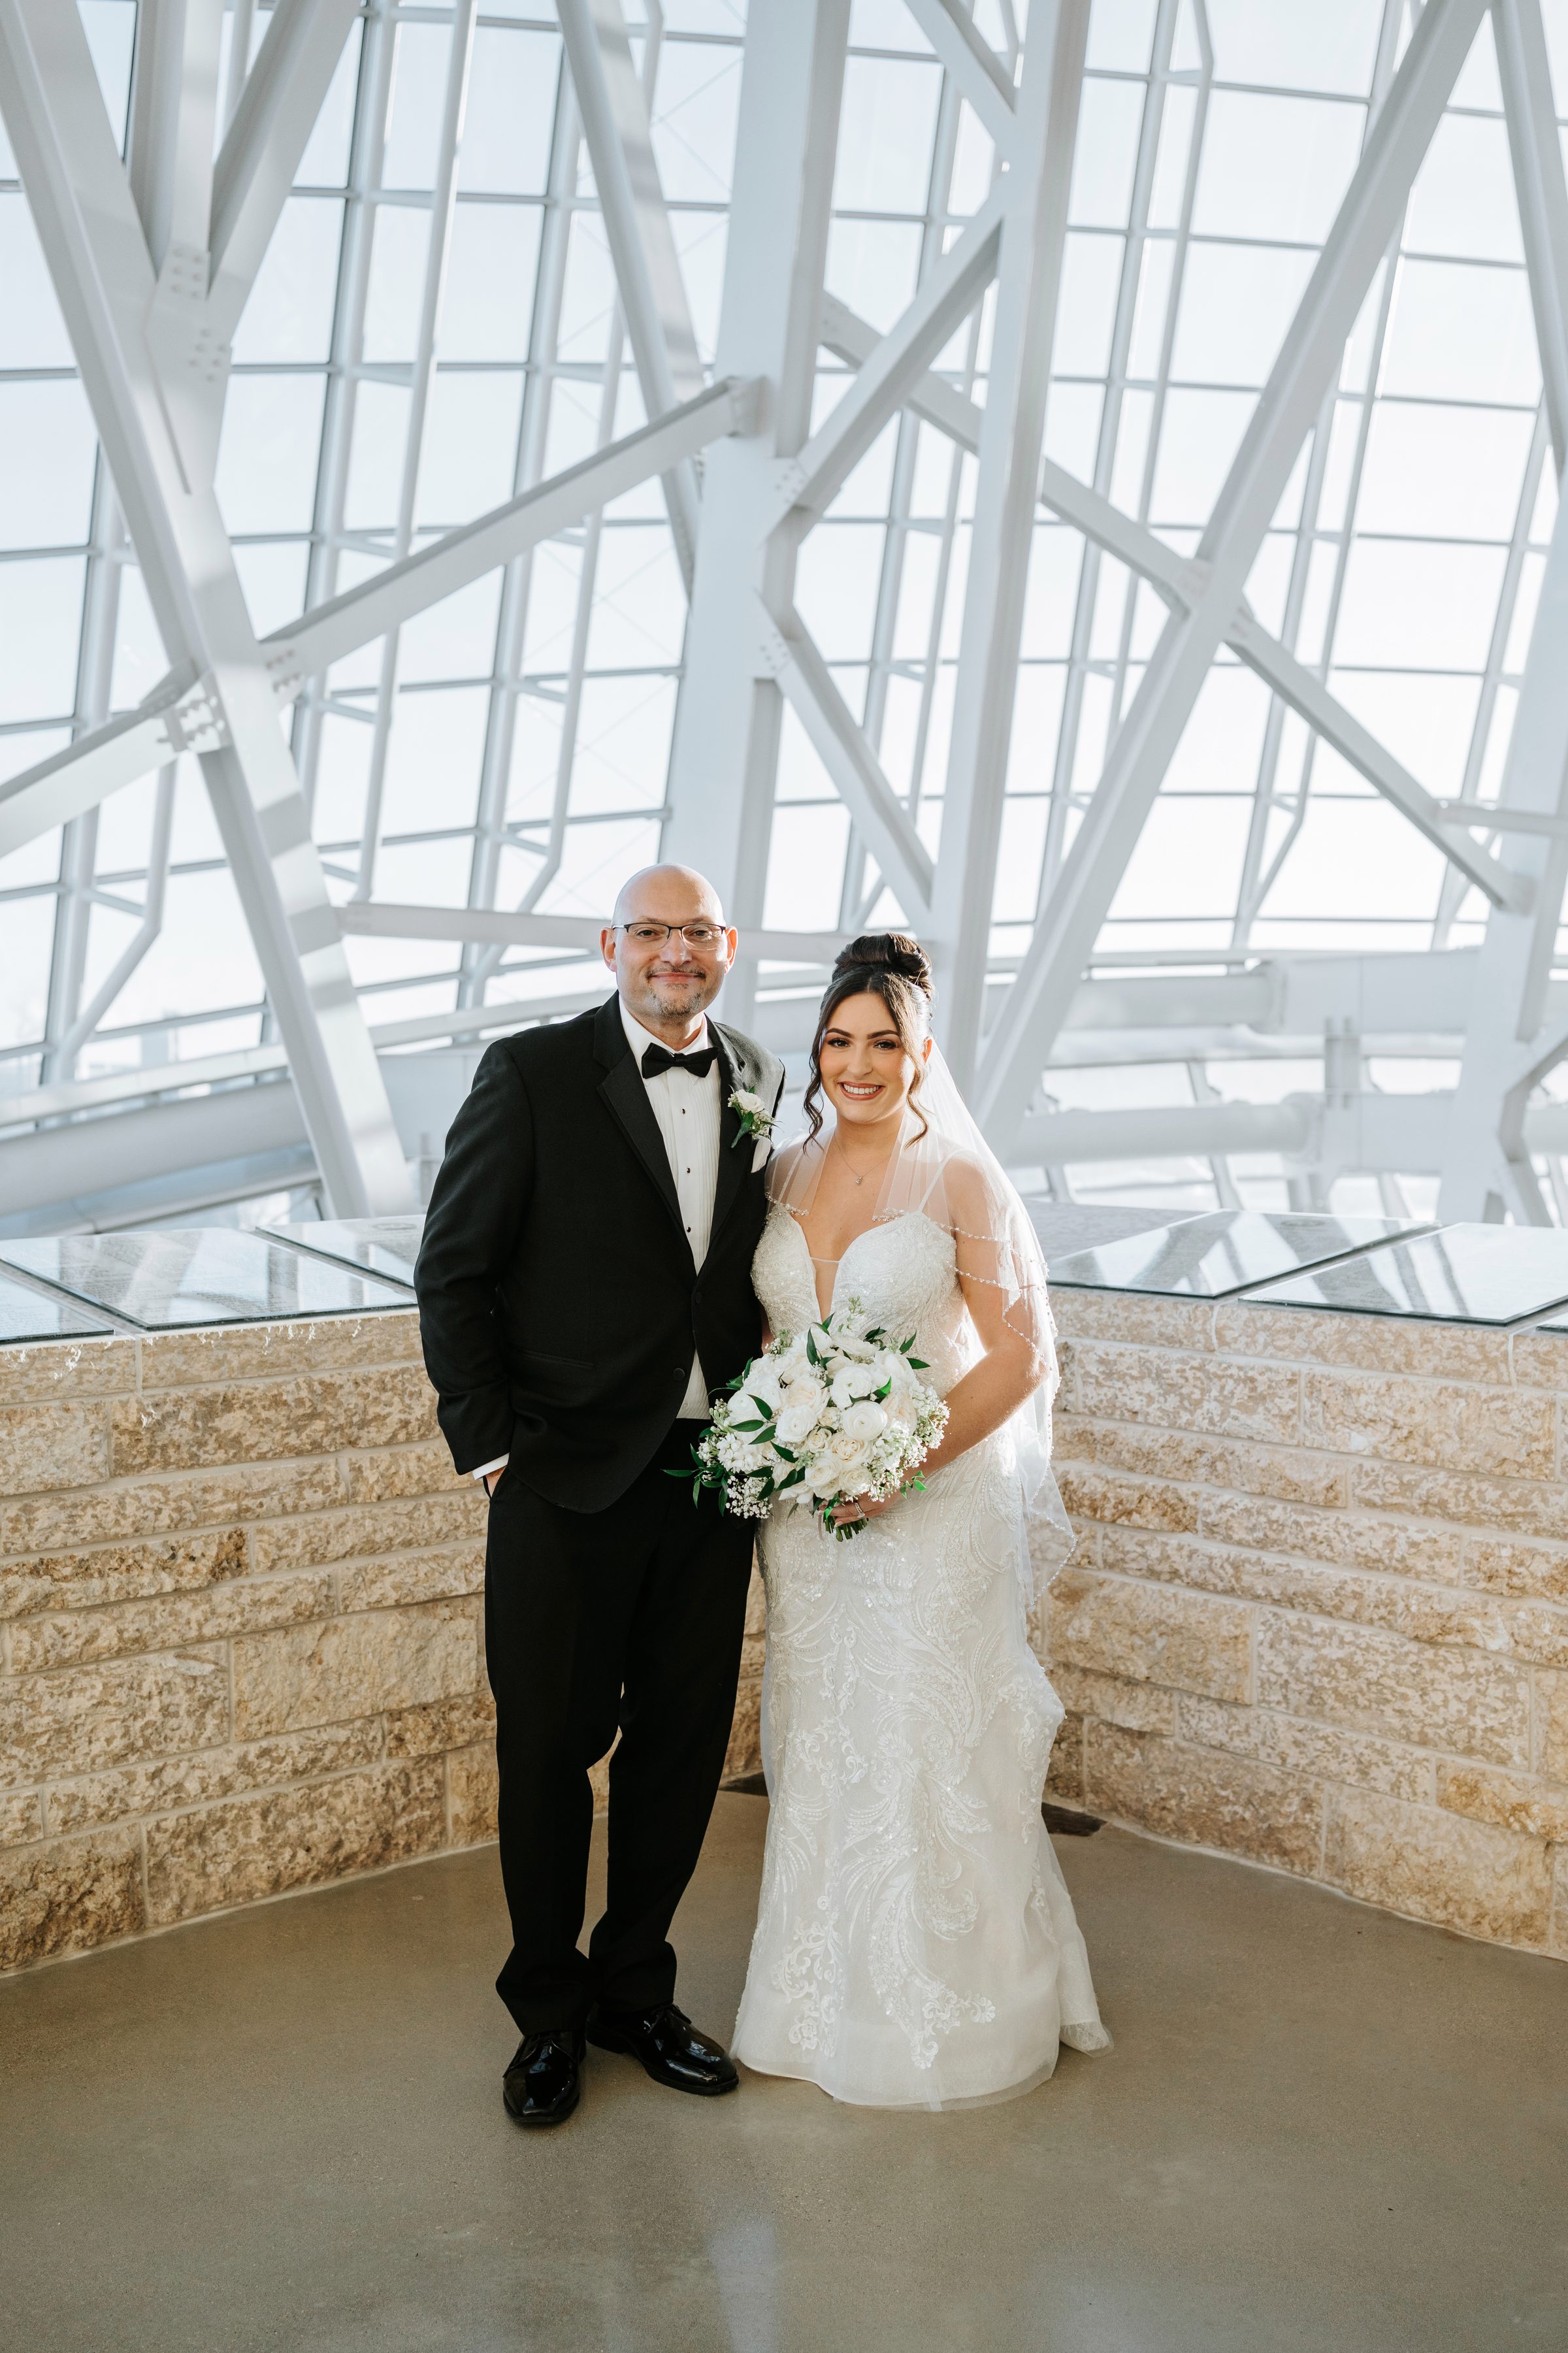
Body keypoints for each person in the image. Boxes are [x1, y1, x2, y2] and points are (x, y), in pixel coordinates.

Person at [415, 865, 785, 2128]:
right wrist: (491, 1446)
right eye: (648, 933)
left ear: (726, 945)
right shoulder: (529, 1073)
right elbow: (452, 1269)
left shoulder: (759, 1076)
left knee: (681, 1752)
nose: (672, 953)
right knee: (548, 1752)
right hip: (563, 1479)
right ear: (610, 946)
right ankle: (548, 2014)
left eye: (695, 932)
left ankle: (638, 1988)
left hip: (711, 1474)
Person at [733, 932, 1109, 2107]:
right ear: (818, 1055)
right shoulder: (782, 1176)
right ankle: (813, 2000)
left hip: (926, 1509)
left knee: (924, 1747)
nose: (859, 1062)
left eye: (883, 1042)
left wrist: (899, 1458)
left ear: (921, 1053)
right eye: (839, 1041)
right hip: (806, 1522)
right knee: (824, 1743)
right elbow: (771, 1339)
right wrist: (777, 1435)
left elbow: (1021, 1353)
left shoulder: (958, 1179)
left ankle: (958, 2007)